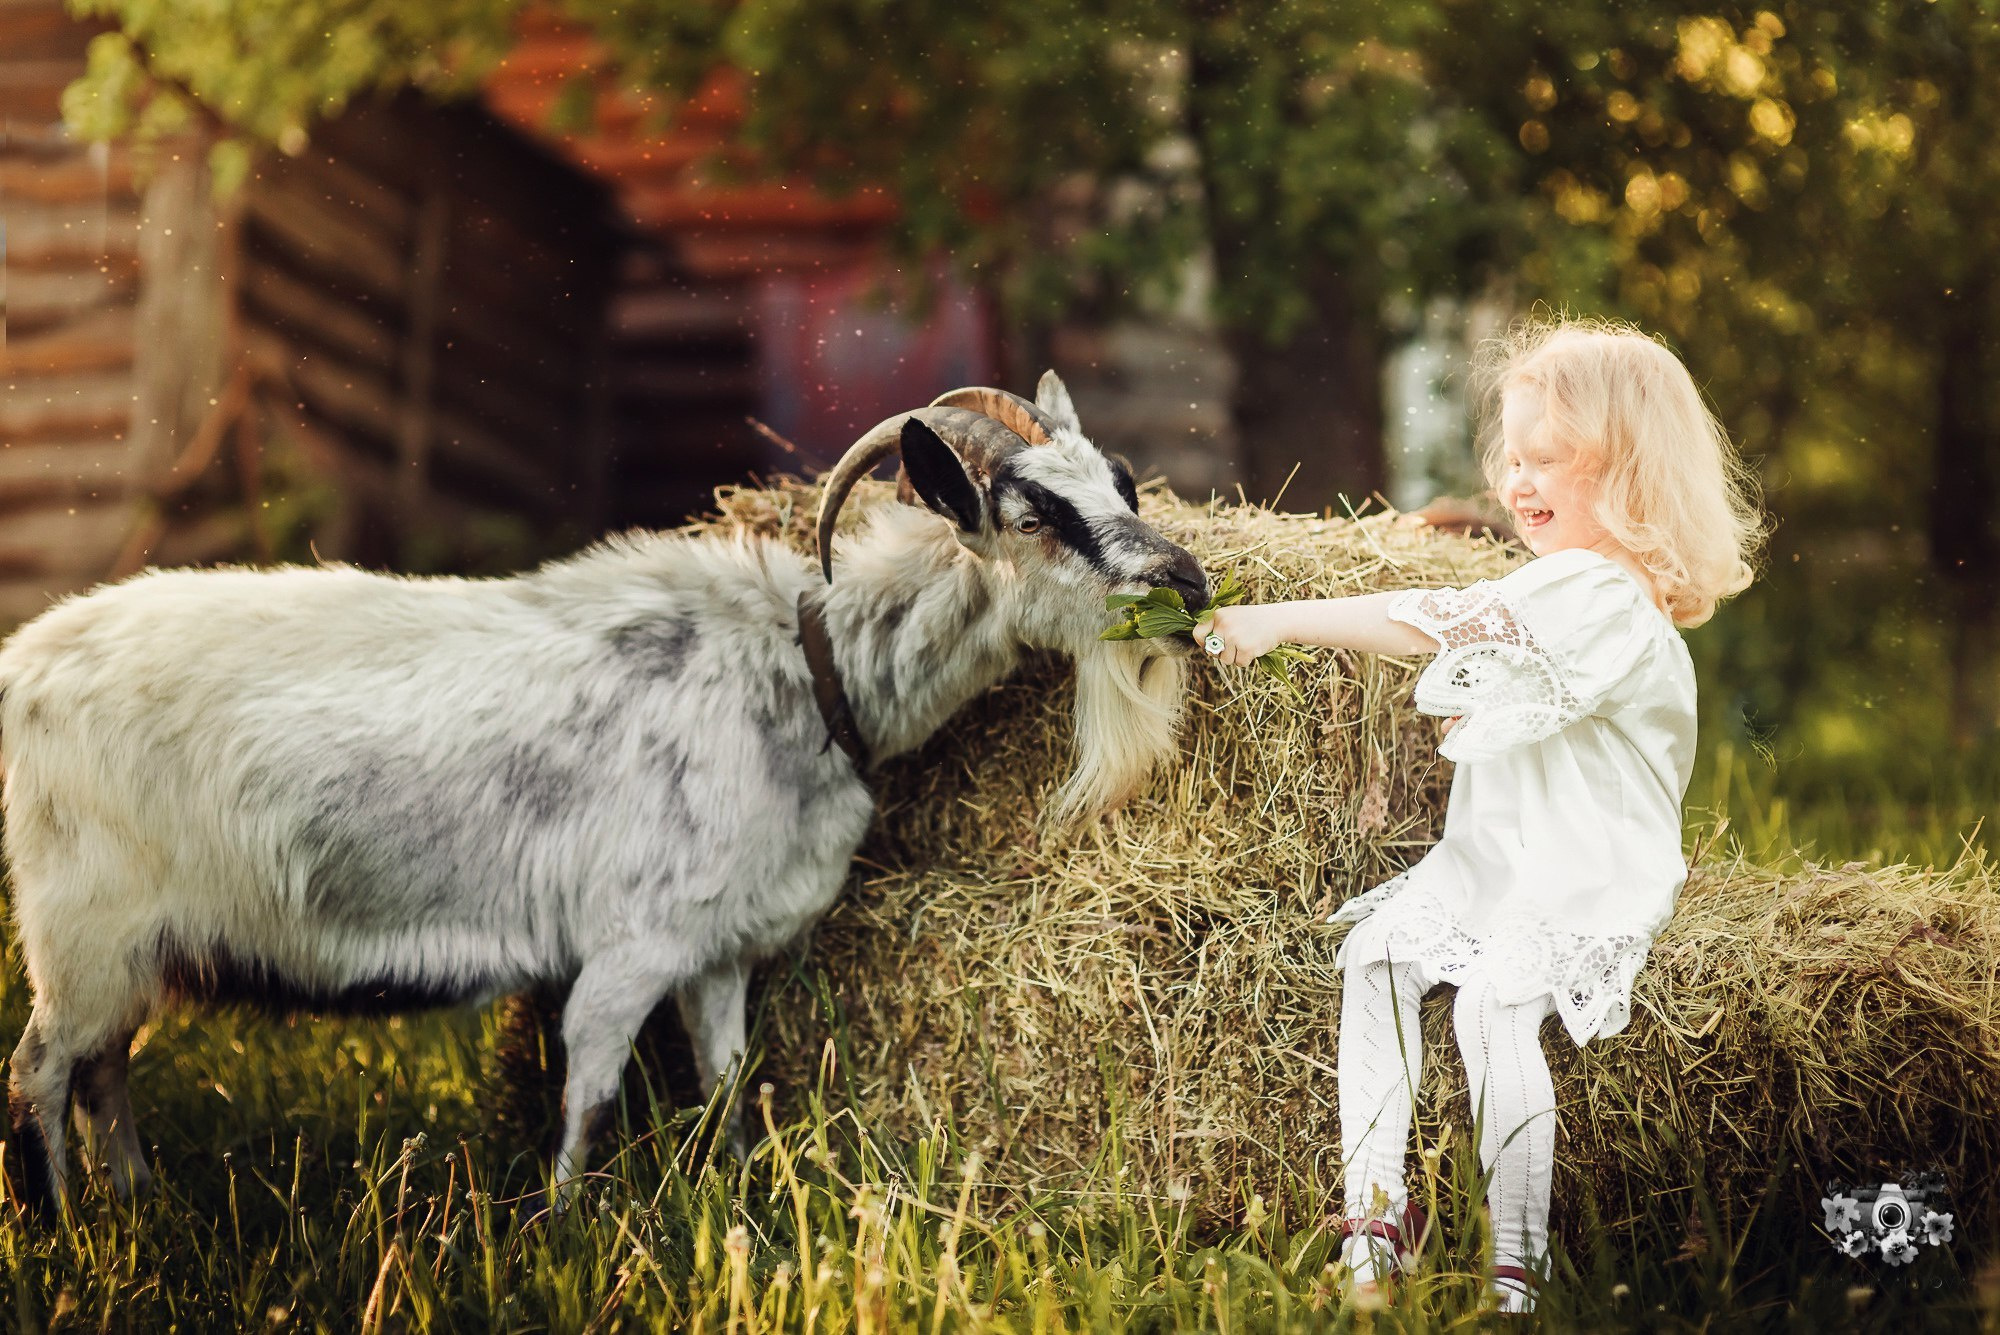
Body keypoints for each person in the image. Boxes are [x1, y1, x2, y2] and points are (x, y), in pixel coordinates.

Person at [1192, 316, 1764, 1314]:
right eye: (1513, 458)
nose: (1517, 482)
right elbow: (1514, 677)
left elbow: (1436, 621)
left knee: (1492, 1008)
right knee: (1376, 958)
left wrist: (1275, 620)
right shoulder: (1568, 586)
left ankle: (1516, 1267)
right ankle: (1374, 1220)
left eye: (1548, 460)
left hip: (1584, 866)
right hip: (1500, 856)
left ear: (1629, 472)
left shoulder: (1598, 589)